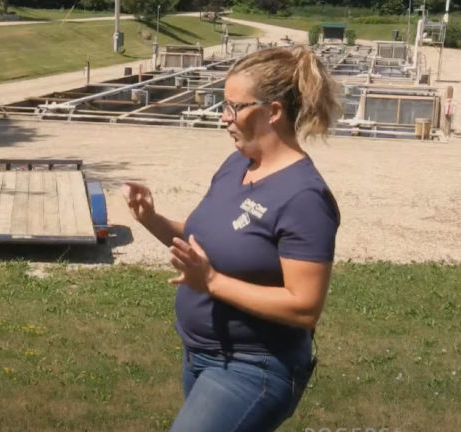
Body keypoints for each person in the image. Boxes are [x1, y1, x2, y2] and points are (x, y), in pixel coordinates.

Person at [123, 46, 341, 432]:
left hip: (255, 367)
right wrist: (151, 219)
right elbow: (202, 242)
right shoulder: (237, 164)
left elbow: (304, 307)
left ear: (273, 112)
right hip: (201, 357)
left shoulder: (305, 197)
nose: (223, 116)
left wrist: (211, 282)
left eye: (234, 107)